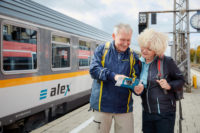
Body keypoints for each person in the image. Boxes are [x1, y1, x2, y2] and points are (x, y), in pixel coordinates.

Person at [89, 23, 144, 133]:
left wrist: (136, 88)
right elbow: (94, 70)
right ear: (114, 36)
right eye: (122, 39)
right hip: (101, 107)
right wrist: (114, 76)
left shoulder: (133, 56)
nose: (125, 44)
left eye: (128, 40)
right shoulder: (102, 50)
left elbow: (134, 79)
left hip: (124, 108)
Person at [137, 28, 185, 133]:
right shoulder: (139, 63)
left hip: (165, 114)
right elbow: (138, 84)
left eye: (149, 49)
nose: (144, 51)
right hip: (147, 112)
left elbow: (181, 80)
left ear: (156, 50)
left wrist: (169, 85)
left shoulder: (167, 62)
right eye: (143, 47)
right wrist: (135, 89)